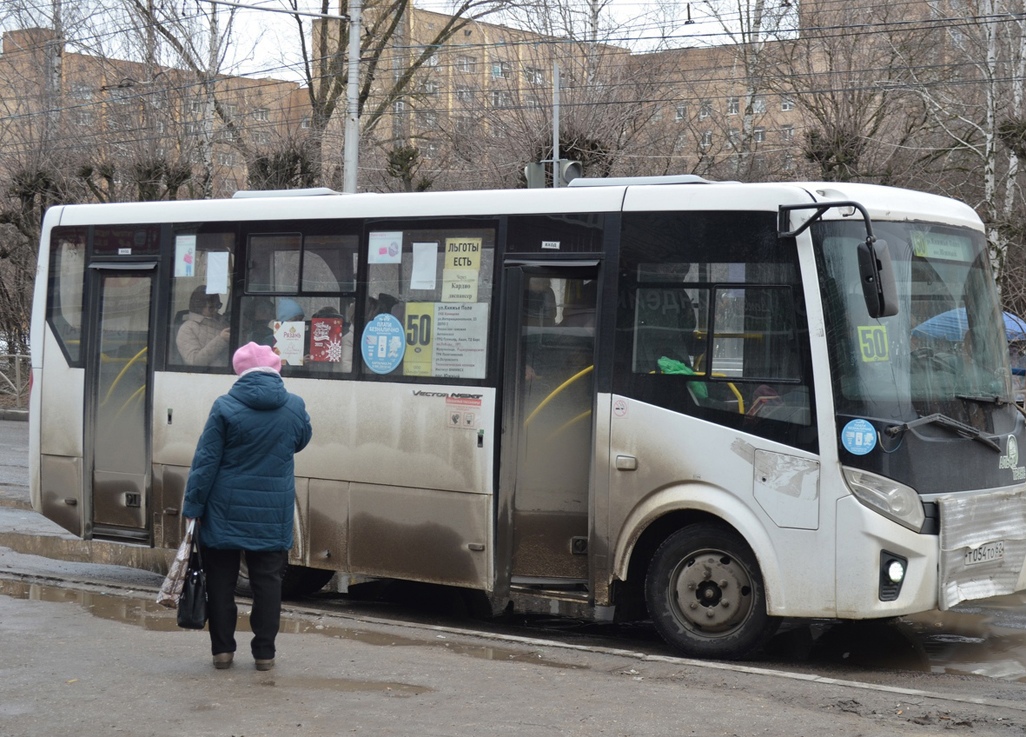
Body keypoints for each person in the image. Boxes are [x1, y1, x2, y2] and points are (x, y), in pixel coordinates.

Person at [182, 342, 313, 671]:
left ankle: (223, 652)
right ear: (275, 369)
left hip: (224, 512)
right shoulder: (295, 406)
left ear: (240, 372)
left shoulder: (225, 406)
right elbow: (301, 440)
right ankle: (265, 654)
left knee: (221, 584)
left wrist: (193, 506)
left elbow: (205, 462)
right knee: (268, 584)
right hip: (272, 512)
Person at [177, 286, 230, 366]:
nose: (216, 310)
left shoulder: (223, 323)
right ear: (199, 307)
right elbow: (194, 362)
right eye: (211, 307)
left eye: (218, 306)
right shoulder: (187, 328)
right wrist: (221, 340)